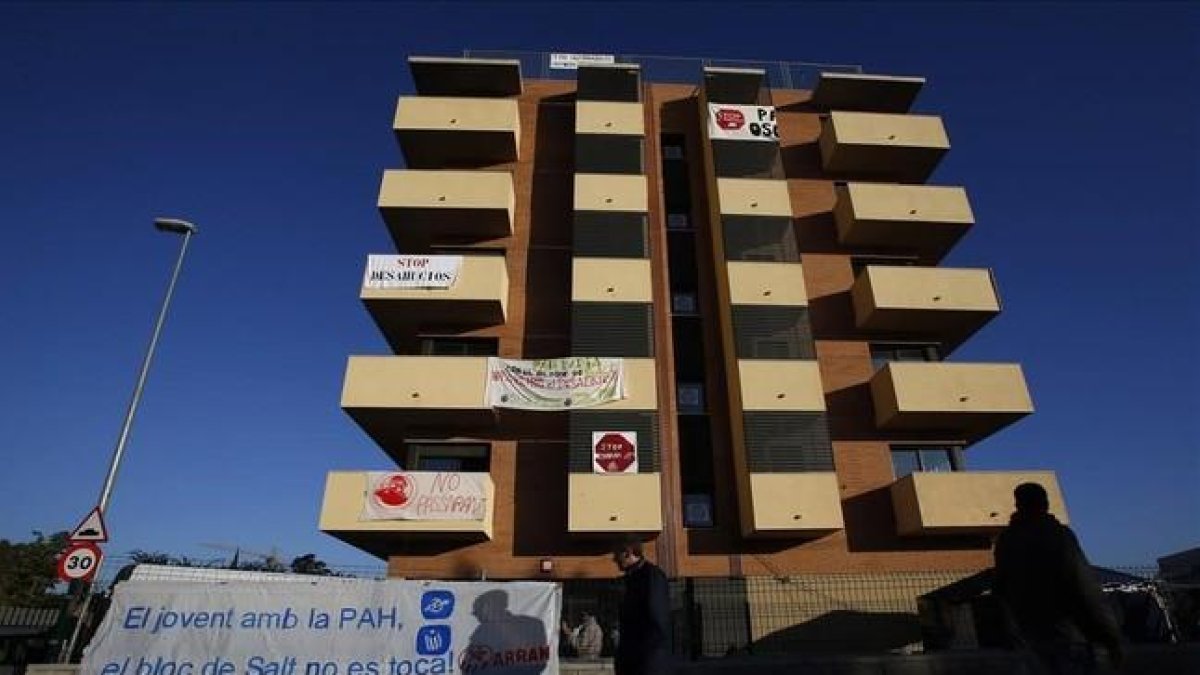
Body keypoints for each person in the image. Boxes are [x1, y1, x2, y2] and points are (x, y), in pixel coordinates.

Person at [993, 482, 1124, 674]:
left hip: (1029, 638)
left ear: (1018, 505)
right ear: (1045, 503)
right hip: (1068, 633)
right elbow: (1085, 587)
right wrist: (1111, 635)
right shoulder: (1057, 536)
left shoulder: (1006, 541)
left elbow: (1001, 589)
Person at [611, 536, 671, 675]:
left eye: (616, 554)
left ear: (628, 552)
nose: (614, 560)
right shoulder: (631, 579)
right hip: (635, 660)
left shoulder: (651, 576)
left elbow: (657, 618)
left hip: (646, 662)